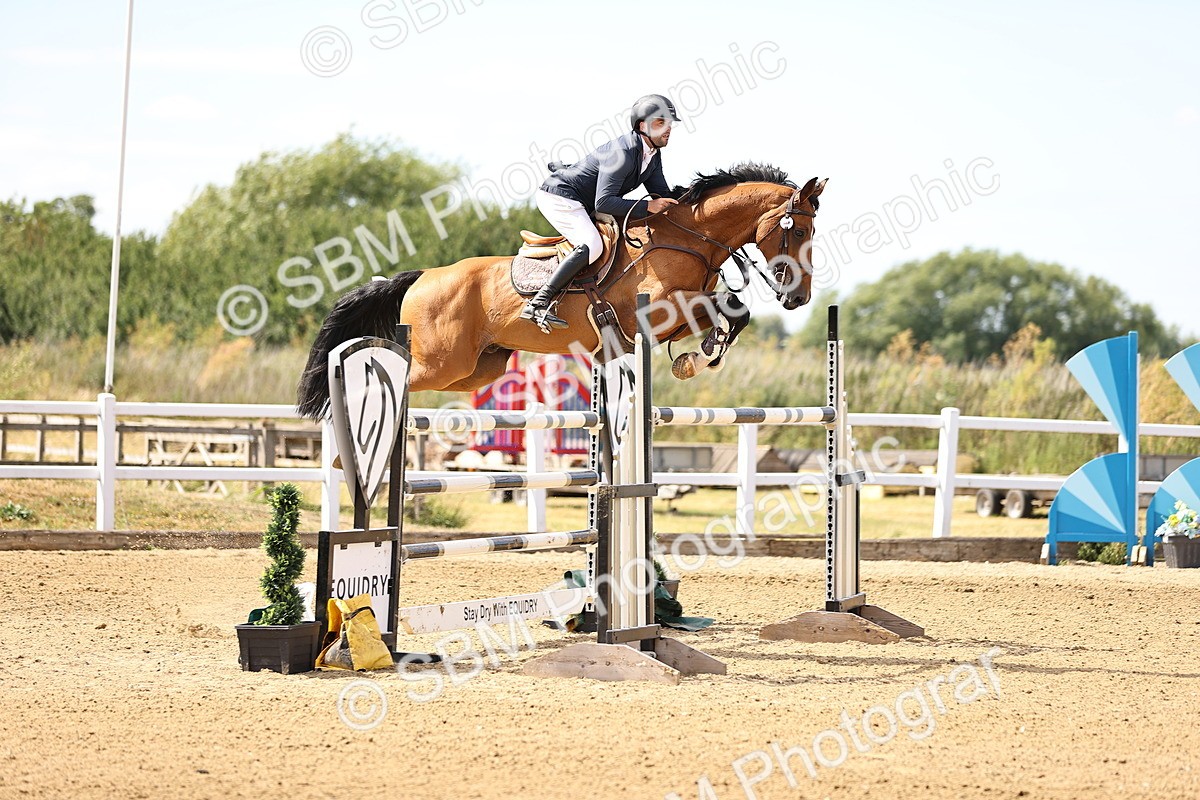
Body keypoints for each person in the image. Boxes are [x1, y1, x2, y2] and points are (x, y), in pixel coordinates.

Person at [521, 93, 684, 331]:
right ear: (642, 126)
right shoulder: (623, 153)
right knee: (593, 244)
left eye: (669, 124)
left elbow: (662, 195)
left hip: (584, 199)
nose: (668, 129)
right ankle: (539, 303)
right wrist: (647, 206)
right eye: (661, 123)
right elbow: (604, 203)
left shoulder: (652, 154)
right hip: (560, 197)